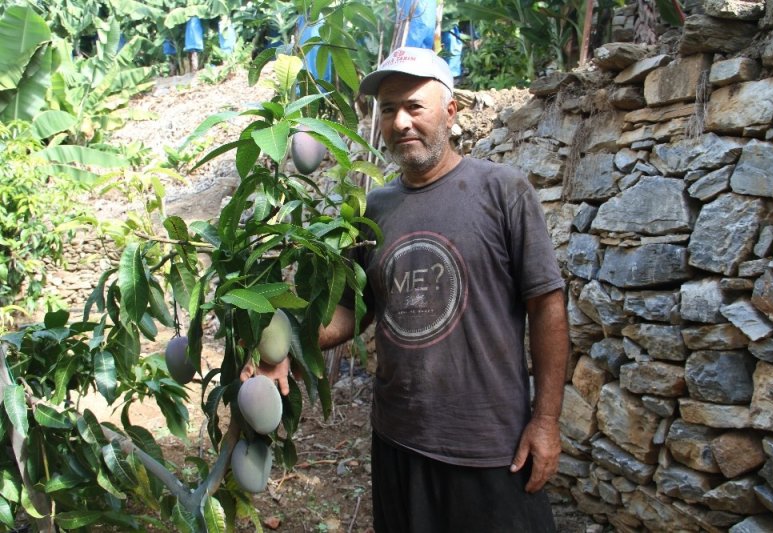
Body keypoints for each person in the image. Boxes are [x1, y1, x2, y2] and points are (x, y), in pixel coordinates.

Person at [242, 46, 569, 532]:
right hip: (398, 440)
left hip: (490, 447)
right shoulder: (374, 209)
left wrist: (545, 422)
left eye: (415, 106)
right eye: (389, 109)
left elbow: (547, 306)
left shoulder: (503, 190)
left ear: (450, 112)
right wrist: (284, 346)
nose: (400, 122)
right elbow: (355, 311)